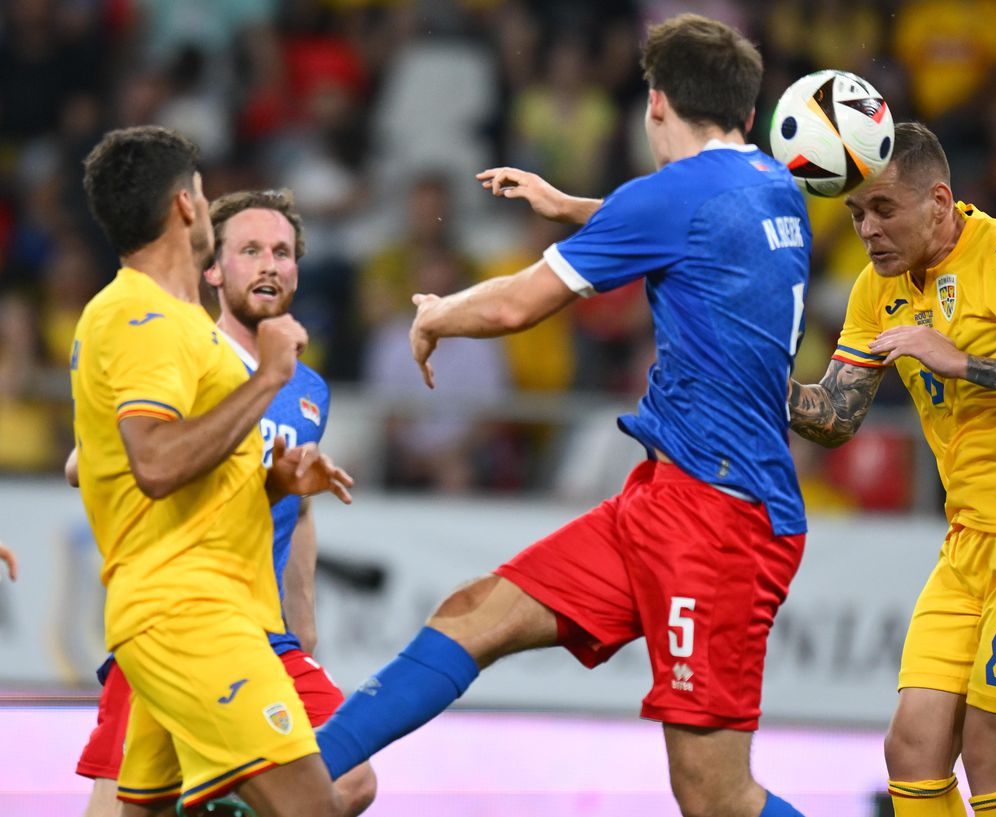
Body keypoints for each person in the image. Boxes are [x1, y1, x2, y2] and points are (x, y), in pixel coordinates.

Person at [316, 14, 812, 817]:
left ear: (653, 104)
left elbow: (516, 306)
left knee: (715, 796)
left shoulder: (671, 197)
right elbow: (682, 221)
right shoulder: (770, 184)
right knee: (474, 615)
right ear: (748, 115)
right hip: (668, 499)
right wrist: (574, 205)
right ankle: (297, 778)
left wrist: (437, 313)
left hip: (722, 522)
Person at [787, 122, 996, 817]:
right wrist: (750, 376)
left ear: (939, 203)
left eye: (883, 208)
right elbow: (834, 417)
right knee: (910, 748)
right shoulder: (874, 290)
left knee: (992, 755)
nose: (867, 229)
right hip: (972, 541)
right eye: (856, 212)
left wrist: (961, 360)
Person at [72, 125, 353, 817]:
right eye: (200, 188)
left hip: (202, 605)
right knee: (314, 803)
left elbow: (191, 466)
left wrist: (277, 480)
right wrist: (270, 377)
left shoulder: (175, 320)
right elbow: (156, 463)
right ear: (186, 208)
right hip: (189, 613)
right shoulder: (144, 318)